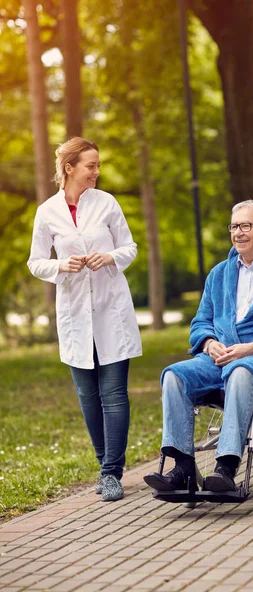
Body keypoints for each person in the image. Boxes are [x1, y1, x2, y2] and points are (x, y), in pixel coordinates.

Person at [144, 199, 253, 494]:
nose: (238, 233)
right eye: (234, 226)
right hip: (218, 357)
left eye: (246, 226)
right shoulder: (219, 274)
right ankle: (183, 467)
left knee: (240, 372)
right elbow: (201, 322)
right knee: (173, 375)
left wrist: (252, 347)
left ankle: (226, 466)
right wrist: (208, 343)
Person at [27, 137, 142, 502]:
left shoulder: (106, 202)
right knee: (87, 396)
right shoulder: (47, 212)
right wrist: (62, 265)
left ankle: (111, 472)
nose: (96, 171)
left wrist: (109, 258)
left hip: (111, 310)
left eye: (97, 164)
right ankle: (104, 463)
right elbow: (35, 261)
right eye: (90, 165)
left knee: (113, 394)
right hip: (75, 314)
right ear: (69, 168)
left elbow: (129, 247)